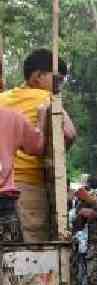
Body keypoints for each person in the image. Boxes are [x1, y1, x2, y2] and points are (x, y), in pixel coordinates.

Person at [0, 48, 77, 242]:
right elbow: (69, 134)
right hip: (30, 187)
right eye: (57, 80)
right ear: (38, 77)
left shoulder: (3, 99)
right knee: (31, 255)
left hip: (5, 184)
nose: (59, 87)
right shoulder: (46, 99)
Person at [0, 105, 47, 241]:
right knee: (9, 257)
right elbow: (37, 146)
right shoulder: (12, 117)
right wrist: (41, 118)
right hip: (3, 202)